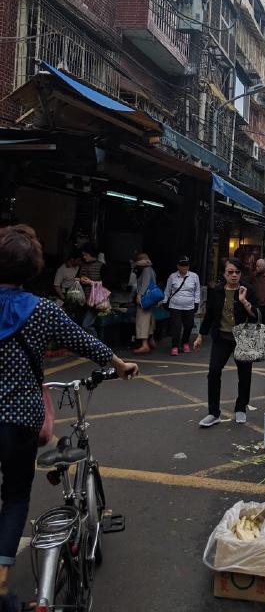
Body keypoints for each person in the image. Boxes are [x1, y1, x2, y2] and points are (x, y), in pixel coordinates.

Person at [0, 225, 139, 609]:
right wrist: (121, 364)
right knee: (13, 498)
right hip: (21, 421)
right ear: (34, 269)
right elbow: (86, 342)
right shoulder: (42, 310)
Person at [194, 258, 257, 427]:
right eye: (230, 272)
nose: (234, 275)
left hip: (243, 338)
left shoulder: (247, 289)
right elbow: (209, 315)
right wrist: (201, 335)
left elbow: (257, 316)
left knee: (244, 375)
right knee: (214, 372)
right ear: (224, 274)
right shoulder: (217, 291)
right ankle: (213, 413)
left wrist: (244, 301)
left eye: (237, 272)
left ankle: (241, 408)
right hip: (221, 337)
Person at [163, 256, 200, 356]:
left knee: (189, 325)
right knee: (176, 327)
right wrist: (165, 301)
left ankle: (185, 342)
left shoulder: (194, 276)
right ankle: (175, 346)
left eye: (186, 265)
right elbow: (167, 290)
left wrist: (196, 303)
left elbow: (197, 291)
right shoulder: (172, 276)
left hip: (189, 306)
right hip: (175, 306)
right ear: (178, 266)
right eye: (182, 265)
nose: (184, 267)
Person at [77, 242, 107, 333]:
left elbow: (106, 285)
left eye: (85, 255)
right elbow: (77, 277)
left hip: (95, 300)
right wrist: (79, 279)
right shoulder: (83, 265)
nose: (84, 257)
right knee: (81, 325)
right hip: (83, 300)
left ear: (91, 254)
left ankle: (96, 345)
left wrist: (91, 282)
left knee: (86, 325)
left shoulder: (102, 266)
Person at [132, 253, 157, 355]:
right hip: (150, 299)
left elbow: (145, 284)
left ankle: (144, 345)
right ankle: (151, 340)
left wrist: (139, 295)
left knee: (142, 320)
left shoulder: (146, 270)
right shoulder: (151, 270)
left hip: (145, 299)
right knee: (149, 319)